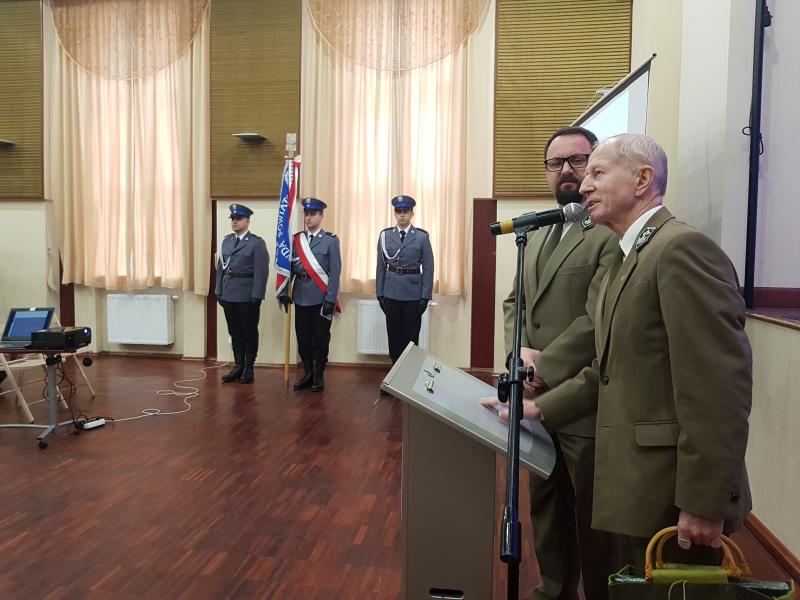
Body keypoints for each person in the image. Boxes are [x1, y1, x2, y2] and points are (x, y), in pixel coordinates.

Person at [513, 134, 752, 569]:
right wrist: (540, 410)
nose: (585, 185)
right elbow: (606, 370)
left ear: (643, 179)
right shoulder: (631, 257)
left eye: (598, 173)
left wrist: (705, 500)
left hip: (669, 493)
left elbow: (719, 390)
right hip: (632, 485)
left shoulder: (681, 249)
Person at [489, 127, 619, 600]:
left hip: (583, 400)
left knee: (591, 519)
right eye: (555, 163)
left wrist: (548, 364)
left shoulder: (608, 233)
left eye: (578, 161)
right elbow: (514, 303)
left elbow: (597, 318)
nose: (566, 170)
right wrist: (516, 355)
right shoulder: (541, 231)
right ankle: (554, 589)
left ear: (596, 166)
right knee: (546, 508)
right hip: (535, 396)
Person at [278, 198, 341, 392]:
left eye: (313, 214)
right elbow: (287, 267)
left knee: (320, 339)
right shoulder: (296, 240)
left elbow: (335, 273)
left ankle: (319, 375)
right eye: (306, 214)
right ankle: (307, 373)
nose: (309, 217)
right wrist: (283, 291)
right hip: (301, 296)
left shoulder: (330, 241)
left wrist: (330, 299)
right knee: (303, 338)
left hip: (321, 297)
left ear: (321, 216)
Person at [376, 195, 434, 364]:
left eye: (405, 211)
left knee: (411, 338)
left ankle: (407, 378)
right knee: (394, 337)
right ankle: (394, 375)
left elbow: (429, 269)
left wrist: (425, 296)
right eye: (398, 211)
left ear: (411, 213)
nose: (402, 215)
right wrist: (379, 293)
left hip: (413, 295)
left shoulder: (422, 237)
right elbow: (380, 267)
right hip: (391, 293)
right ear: (395, 213)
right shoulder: (385, 236)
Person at [215, 203, 270, 384]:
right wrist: (218, 291)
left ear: (247, 221)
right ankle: (238, 365)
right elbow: (221, 269)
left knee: (249, 332)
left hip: (247, 295)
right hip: (228, 294)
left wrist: (257, 295)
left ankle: (248, 367)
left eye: (238, 219)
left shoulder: (256, 243)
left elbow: (262, 272)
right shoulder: (227, 241)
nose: (235, 222)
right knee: (235, 332)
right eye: (233, 219)